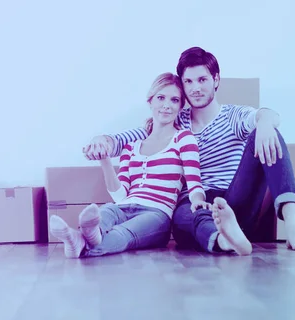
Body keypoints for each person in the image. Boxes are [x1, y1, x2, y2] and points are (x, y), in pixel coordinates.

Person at [83, 47, 295, 255]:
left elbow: (270, 115)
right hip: (193, 204)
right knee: (183, 215)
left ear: (216, 80)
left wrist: (264, 121)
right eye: (189, 82)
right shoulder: (174, 120)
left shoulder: (232, 116)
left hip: (234, 199)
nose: (196, 88)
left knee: (267, 133)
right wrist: (100, 140)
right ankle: (223, 240)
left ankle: (293, 224)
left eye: (202, 79)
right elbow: (125, 139)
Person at [49, 72, 209, 258]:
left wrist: (198, 200)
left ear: (180, 107)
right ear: (150, 101)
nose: (166, 105)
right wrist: (105, 159)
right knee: (106, 210)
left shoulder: (183, 138)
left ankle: (76, 240)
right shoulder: (131, 147)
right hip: (124, 206)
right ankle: (81, 239)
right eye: (161, 98)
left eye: (174, 100)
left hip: (156, 213)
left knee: (123, 234)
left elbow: (194, 182)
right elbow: (120, 195)